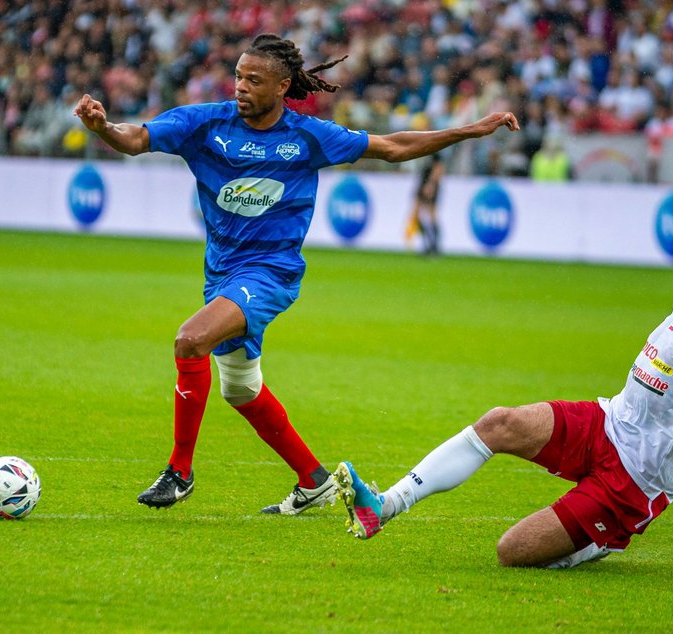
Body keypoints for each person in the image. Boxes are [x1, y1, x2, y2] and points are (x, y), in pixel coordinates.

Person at [73, 33, 519, 514]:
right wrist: (103, 127)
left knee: (190, 340)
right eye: (238, 76)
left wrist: (469, 130)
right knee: (240, 389)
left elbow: (392, 146)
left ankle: (179, 472)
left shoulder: (308, 136)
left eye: (254, 80)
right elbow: (136, 139)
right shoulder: (204, 123)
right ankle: (314, 480)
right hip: (221, 274)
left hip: (271, 272)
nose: (241, 87)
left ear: (283, 86)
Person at [336, 212, 673, 577]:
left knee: (512, 551)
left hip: (634, 479)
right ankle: (384, 506)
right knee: (499, 422)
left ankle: (604, 539)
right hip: (607, 422)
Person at [406, 153, 445, 255]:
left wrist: (431, 184)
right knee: (417, 215)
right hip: (423, 184)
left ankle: (434, 246)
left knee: (432, 217)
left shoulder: (436, 152)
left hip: (429, 186)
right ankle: (426, 244)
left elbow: (438, 169)